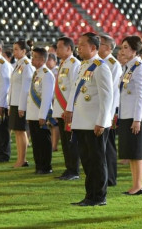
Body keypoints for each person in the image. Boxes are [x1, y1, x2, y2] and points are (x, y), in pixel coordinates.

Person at [65, 32, 113, 206]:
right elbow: (75, 90)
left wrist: (101, 121)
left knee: (97, 161)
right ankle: (89, 195)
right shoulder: (84, 65)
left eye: (82, 44)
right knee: (87, 161)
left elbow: (107, 97)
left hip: (94, 123)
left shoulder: (100, 67)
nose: (79, 47)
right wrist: (70, 110)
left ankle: (99, 197)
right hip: (82, 122)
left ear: (93, 47)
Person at [118, 36, 142, 195]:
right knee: (130, 151)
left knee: (136, 151)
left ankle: (138, 185)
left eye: (125, 47)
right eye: (122, 47)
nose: (122, 50)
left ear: (134, 50)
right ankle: (135, 184)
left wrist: (137, 119)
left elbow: (140, 95)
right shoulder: (129, 67)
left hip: (135, 115)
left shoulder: (139, 67)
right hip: (126, 113)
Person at [53, 36, 81, 180]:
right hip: (61, 108)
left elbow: (74, 89)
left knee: (71, 142)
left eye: (59, 47)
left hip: (68, 109)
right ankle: (68, 168)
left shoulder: (74, 64)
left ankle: (74, 170)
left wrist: (69, 108)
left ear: (69, 48)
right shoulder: (64, 63)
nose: (57, 50)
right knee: (64, 142)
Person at [98, 34, 123, 187]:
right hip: (101, 110)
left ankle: (111, 178)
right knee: (102, 147)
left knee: (109, 146)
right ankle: (104, 176)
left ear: (107, 47)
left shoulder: (113, 64)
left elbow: (112, 92)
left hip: (109, 111)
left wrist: (110, 114)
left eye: (100, 44)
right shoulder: (100, 63)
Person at [26, 47, 55, 174]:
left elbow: (47, 97)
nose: (32, 59)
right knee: (36, 142)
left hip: (40, 114)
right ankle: (38, 165)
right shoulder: (37, 73)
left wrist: (43, 115)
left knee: (43, 142)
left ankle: (46, 166)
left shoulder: (47, 74)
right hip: (33, 113)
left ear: (42, 59)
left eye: (34, 57)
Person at [8, 40, 34, 168]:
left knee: (21, 130)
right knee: (17, 131)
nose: (14, 52)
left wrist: (22, 106)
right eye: (14, 49)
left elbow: (25, 88)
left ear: (24, 51)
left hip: (20, 103)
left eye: (17, 49)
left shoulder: (27, 65)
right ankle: (19, 158)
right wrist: (9, 104)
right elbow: (13, 86)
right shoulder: (18, 64)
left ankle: (22, 159)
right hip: (15, 102)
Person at [46, 52, 61, 152]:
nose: (47, 62)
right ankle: (51, 143)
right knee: (50, 124)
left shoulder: (57, 71)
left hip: (56, 100)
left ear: (55, 61)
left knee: (55, 124)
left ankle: (54, 145)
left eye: (49, 60)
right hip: (49, 100)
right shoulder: (46, 71)